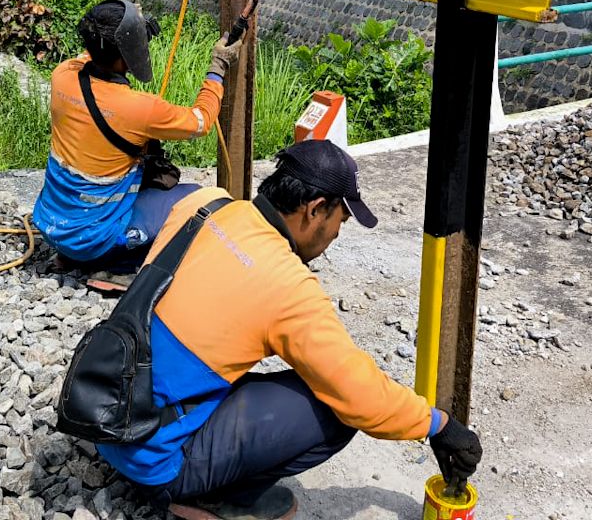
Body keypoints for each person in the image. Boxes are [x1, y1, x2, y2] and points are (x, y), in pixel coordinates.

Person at [95, 140, 483, 520]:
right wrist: (438, 425)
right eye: (340, 221)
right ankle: (212, 496)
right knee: (336, 410)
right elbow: (359, 394)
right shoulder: (288, 286)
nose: (335, 236)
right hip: (155, 461)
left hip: (105, 410)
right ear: (315, 210)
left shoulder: (205, 204)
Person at [32, 0, 243, 272]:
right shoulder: (139, 109)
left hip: (53, 227)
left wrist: (133, 32)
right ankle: (129, 271)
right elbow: (200, 121)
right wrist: (218, 66)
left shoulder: (62, 75)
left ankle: (69, 255)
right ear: (125, 52)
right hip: (96, 242)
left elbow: (95, 54)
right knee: (203, 199)